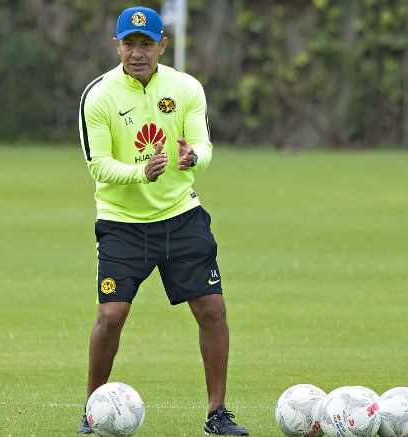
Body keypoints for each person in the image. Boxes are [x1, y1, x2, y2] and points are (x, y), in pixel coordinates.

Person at [76, 6, 249, 436]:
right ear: (117, 45)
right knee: (111, 315)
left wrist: (195, 157)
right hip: (121, 222)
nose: (138, 53)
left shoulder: (185, 87)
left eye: (146, 44)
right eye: (129, 44)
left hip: (180, 217)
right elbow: (97, 164)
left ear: (161, 46)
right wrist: (140, 173)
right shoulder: (98, 96)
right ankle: (92, 411)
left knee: (213, 309)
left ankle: (217, 413)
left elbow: (203, 143)